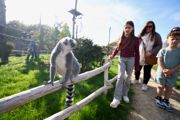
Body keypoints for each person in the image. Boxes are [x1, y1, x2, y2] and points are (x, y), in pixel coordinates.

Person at [108, 21, 140, 108]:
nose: (127, 29)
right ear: (124, 28)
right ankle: (116, 98)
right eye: (126, 27)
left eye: (129, 27)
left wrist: (137, 65)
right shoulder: (121, 38)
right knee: (120, 76)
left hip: (131, 59)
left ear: (132, 29)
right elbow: (117, 49)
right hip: (122, 59)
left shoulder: (136, 39)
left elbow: (137, 52)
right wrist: (112, 56)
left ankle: (125, 94)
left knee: (128, 78)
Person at [155, 27, 180, 111]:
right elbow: (159, 60)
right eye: (172, 39)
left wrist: (172, 71)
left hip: (173, 73)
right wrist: (164, 70)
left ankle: (166, 100)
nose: (174, 41)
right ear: (168, 40)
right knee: (161, 86)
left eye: (177, 39)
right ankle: (158, 97)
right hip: (162, 72)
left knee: (169, 87)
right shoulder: (163, 50)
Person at [132, 21, 162, 91]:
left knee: (147, 71)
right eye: (147, 26)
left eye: (150, 26)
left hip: (149, 56)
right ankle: (136, 79)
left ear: (153, 27)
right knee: (137, 69)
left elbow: (159, 45)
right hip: (140, 55)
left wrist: (151, 52)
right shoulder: (141, 34)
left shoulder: (156, 35)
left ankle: (145, 84)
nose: (148, 28)